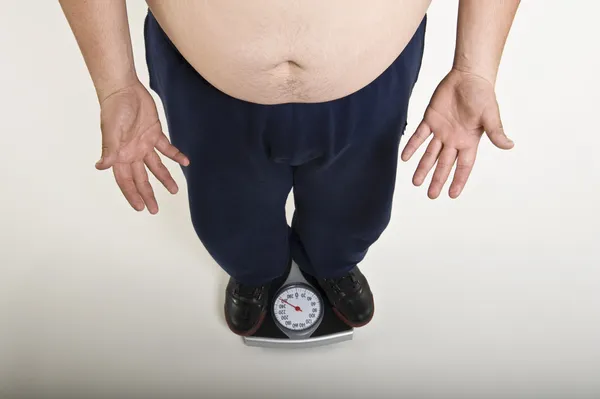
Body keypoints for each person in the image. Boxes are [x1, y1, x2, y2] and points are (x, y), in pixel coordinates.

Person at [58, 0, 520, 336]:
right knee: (226, 213)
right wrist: (116, 82)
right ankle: (255, 272)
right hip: (205, 77)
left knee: (358, 204)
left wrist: (475, 68)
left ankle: (333, 262)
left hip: (370, 72)